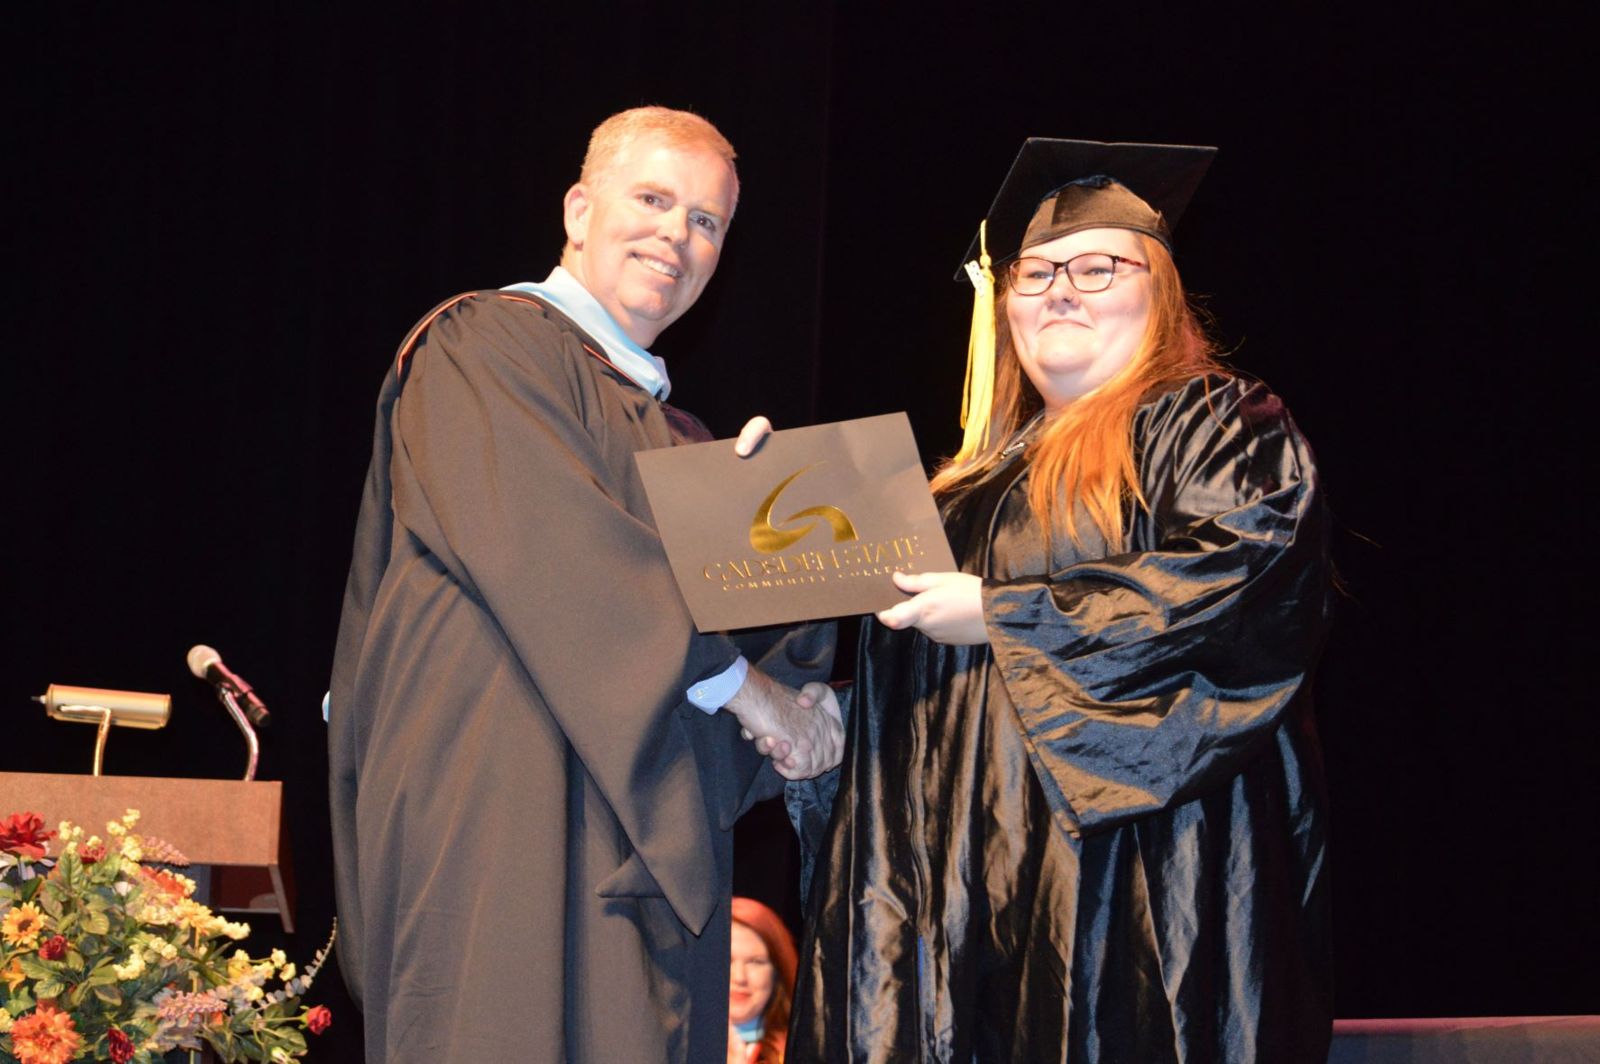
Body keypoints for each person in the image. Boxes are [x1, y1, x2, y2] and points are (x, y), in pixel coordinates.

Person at [786, 139, 1334, 1061]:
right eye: (1032, 274)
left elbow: (1241, 588)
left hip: (1144, 884)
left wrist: (1006, 616)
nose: (1060, 290)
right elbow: (931, 727)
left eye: (1095, 265)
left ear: (1156, 290)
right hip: (962, 905)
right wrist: (832, 729)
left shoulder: (1214, 424)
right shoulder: (952, 494)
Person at [328, 106, 843, 1064]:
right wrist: (759, 694)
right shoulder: (484, 347)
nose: (676, 236)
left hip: (622, 845)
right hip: (501, 811)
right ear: (578, 209)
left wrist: (765, 524)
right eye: (653, 199)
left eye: (707, 222)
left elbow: (723, 646)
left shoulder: (684, 440)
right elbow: (569, 567)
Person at [726, 896, 798, 1064]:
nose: (740, 977)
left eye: (755, 962)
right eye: (726, 960)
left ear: (776, 973)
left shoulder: (804, 1050)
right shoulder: (669, 1043)